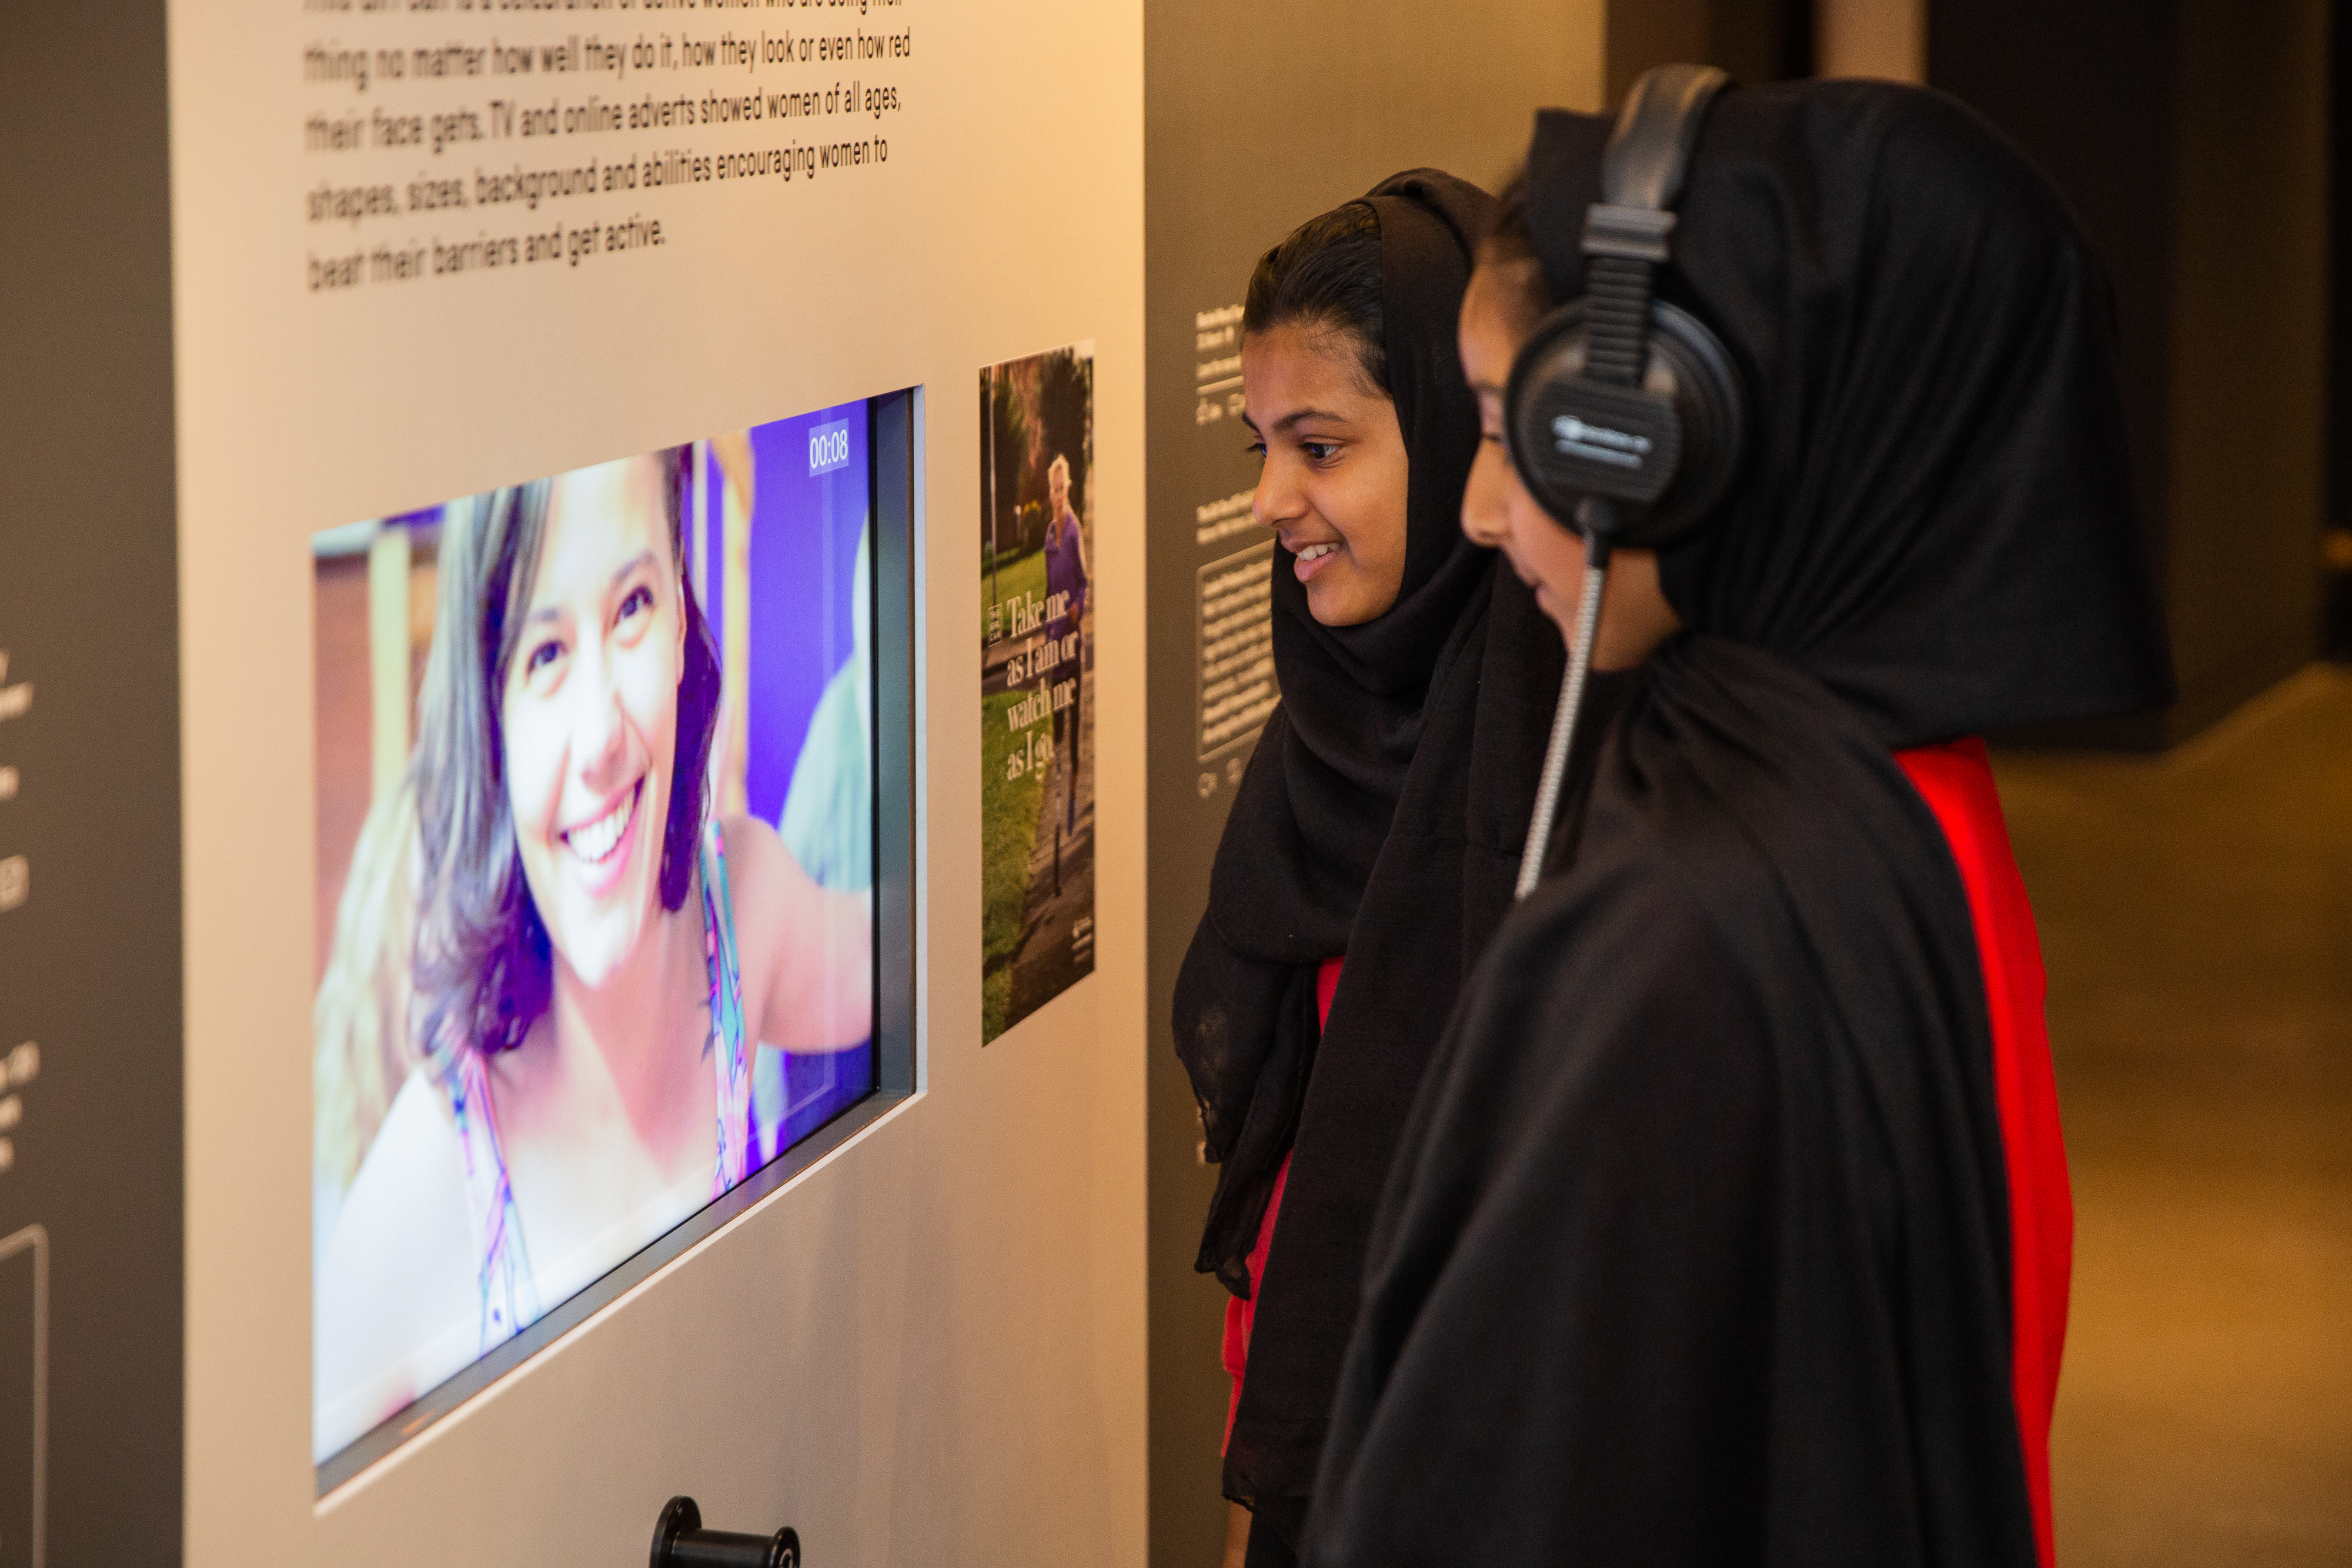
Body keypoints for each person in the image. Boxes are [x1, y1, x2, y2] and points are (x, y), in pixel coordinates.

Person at [1300, 79, 2174, 1567]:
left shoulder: (1676, 948)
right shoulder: (1897, 793)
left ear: (1686, 437)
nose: (1483, 507)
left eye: (1524, 433)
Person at [1172, 172, 1593, 1567]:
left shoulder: (1565, 779)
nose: (1266, 500)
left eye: (1321, 445)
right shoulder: (1317, 750)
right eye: (1257, 445)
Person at [313, 447, 872, 1459]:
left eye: (632, 608)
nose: (603, 731)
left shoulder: (741, 914)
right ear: (485, 724)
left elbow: (933, 946)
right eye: (544, 656)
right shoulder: (418, 1198)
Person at [1043, 453, 1090, 833]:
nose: (1057, 494)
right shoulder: (1048, 536)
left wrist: (1077, 607)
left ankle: (1072, 802)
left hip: (1073, 645)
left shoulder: (1074, 532)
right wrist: (1045, 632)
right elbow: (1046, 588)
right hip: (1054, 646)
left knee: (1074, 732)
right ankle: (1058, 804)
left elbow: (1083, 583)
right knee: (1055, 730)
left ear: (1068, 487)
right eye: (1053, 489)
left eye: (1061, 488)